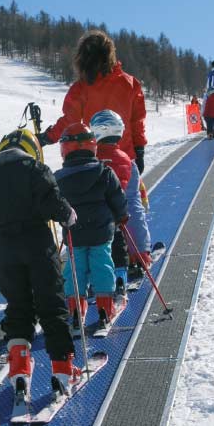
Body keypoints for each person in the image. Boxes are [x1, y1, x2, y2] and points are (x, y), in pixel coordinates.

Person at [0, 128, 80, 399]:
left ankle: (19, 373)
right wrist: (68, 215)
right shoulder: (36, 169)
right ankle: (63, 370)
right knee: (52, 306)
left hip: (7, 251)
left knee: (18, 308)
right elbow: (54, 205)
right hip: (39, 245)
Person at [38, 30, 147, 175]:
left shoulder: (81, 88)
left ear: (83, 59)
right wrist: (139, 151)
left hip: (94, 163)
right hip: (126, 162)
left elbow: (70, 122)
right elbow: (137, 122)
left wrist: (47, 137)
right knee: (132, 197)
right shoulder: (130, 84)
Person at [54, 123, 128, 332]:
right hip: (101, 231)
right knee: (102, 266)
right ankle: (105, 309)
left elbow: (54, 203)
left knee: (74, 271)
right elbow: (117, 198)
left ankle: (76, 310)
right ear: (92, 146)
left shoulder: (59, 178)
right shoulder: (104, 171)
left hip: (74, 234)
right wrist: (122, 216)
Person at [90, 110, 153, 292]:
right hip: (121, 216)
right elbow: (134, 198)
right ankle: (138, 254)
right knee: (133, 206)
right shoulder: (127, 161)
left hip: (97, 220)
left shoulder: (92, 160)